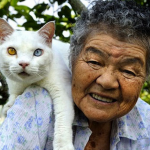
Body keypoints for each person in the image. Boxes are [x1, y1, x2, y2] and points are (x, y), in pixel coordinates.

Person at [0, 0, 150, 149]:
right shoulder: (31, 107)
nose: (107, 81)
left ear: (145, 77)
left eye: (128, 71)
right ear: (72, 60)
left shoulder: (147, 122)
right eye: (95, 62)